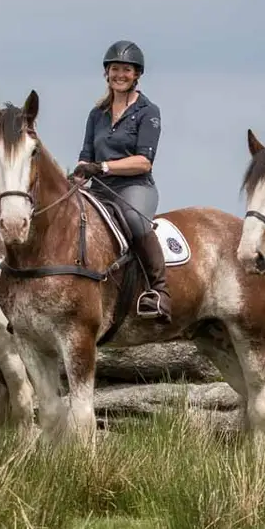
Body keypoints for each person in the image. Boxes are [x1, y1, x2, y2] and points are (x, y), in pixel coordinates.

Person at [69, 40, 171, 322]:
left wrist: (102, 167)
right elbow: (85, 155)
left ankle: (159, 291)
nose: (120, 75)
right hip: (100, 190)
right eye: (115, 69)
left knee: (135, 220)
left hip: (135, 187)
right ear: (107, 73)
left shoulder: (149, 112)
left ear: (136, 74)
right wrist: (77, 176)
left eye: (126, 70)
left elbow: (143, 161)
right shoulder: (96, 114)